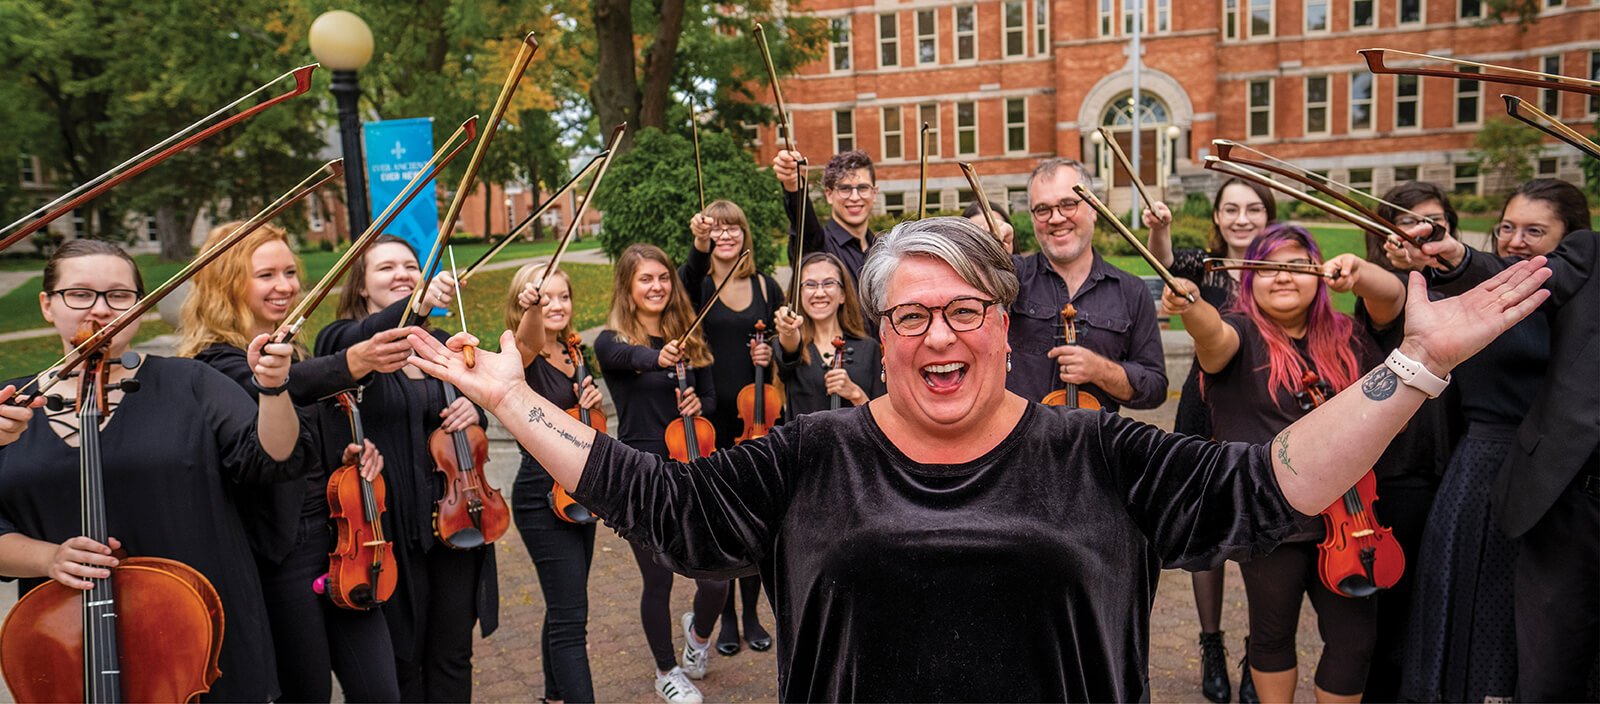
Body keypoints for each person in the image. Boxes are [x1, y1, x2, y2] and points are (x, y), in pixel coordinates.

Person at [403, 215, 1552, 701]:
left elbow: (1278, 480)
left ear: (1005, 323)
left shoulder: (1100, 453)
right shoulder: (808, 453)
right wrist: (512, 397)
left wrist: (1418, 366)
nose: (937, 337)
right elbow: (657, 498)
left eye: (961, 311)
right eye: (907, 317)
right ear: (876, 334)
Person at [0, 239, 308, 702]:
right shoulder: (11, 406)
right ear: (48, 304)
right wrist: (48, 558)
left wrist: (273, 390)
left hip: (199, 637)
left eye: (119, 295)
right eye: (80, 294)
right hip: (65, 646)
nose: (100, 310)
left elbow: (273, 458)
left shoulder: (192, 382)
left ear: (139, 307)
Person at [1166, 225, 1397, 703]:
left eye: (1295, 267)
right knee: (1271, 634)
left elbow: (1392, 300)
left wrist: (1361, 270)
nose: (1282, 277)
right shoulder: (1241, 334)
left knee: (1356, 641)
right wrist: (1191, 306)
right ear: (1249, 281)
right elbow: (1211, 336)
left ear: (1318, 274)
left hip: (1351, 519)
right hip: (1272, 519)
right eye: (1268, 268)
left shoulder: (1348, 334)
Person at [1388, 178, 1594, 702]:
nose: (1515, 239)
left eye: (1534, 230)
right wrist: (1454, 257)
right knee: (1468, 608)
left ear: (1569, 241)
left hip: (1553, 479)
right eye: (1506, 226)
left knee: (1538, 626)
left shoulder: (1572, 298)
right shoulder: (1473, 291)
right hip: (1478, 469)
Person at [176, 222, 399, 702]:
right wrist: (354, 359)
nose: (287, 286)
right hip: (282, 555)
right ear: (227, 283)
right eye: (266, 275)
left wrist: (346, 459)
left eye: (291, 272)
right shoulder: (211, 364)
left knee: (381, 690)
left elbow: (300, 440)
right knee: (306, 694)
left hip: (343, 539)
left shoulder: (291, 345)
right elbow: (276, 385)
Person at [313, 234, 498, 703]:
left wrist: (475, 412)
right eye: (386, 268)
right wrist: (413, 309)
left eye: (410, 267)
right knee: (403, 660)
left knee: (453, 655)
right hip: (388, 528)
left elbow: (479, 405)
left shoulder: (440, 345)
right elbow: (361, 341)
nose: (402, 275)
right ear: (361, 287)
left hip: (455, 521)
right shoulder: (342, 341)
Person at [1328, 182, 1463, 702]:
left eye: (1434, 224)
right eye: (1407, 225)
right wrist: (1368, 273)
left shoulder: (1475, 285)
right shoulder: (1392, 296)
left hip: (1463, 462)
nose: (1422, 235)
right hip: (1404, 475)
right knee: (1395, 616)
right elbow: (1391, 296)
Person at [1145, 176, 1278, 702]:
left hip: (1263, 413)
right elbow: (1166, 268)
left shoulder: (1283, 270)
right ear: (1218, 218)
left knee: (1257, 532)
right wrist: (1162, 231)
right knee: (1207, 533)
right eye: (1231, 209)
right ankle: (1211, 643)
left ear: (1268, 215)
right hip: (1206, 412)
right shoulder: (1204, 268)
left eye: (1253, 209)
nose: (1242, 218)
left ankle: (1260, 649)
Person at [592, 243, 730, 704]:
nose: (657, 286)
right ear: (628, 289)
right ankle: (666, 670)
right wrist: (661, 358)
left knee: (716, 578)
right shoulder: (612, 340)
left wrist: (698, 404)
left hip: (692, 468)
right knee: (658, 580)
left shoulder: (691, 336)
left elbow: (709, 399)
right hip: (641, 473)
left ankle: (697, 636)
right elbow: (628, 359)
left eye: (663, 277)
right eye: (645, 279)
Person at [681, 200, 783, 658]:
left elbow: (789, 345)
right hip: (711, 422)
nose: (727, 235)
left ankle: (752, 614)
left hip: (758, 419)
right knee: (719, 521)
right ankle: (722, 616)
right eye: (718, 229)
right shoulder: (699, 285)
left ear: (746, 234)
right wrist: (698, 243)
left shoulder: (766, 285)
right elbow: (681, 284)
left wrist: (773, 354)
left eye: (733, 228)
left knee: (758, 520)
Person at [505, 263, 603, 703]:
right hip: (540, 498)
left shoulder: (576, 352)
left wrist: (593, 402)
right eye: (546, 298)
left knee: (565, 604)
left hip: (581, 492)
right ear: (526, 303)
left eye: (563, 296)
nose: (556, 306)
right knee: (571, 620)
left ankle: (552, 696)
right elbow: (528, 338)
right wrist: (531, 308)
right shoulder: (520, 354)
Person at [1010, 157, 1166, 410]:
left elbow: (1155, 389)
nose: (1056, 218)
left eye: (1068, 204)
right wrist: (988, 249)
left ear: (1094, 209)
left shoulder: (1132, 291)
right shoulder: (1011, 279)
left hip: (1096, 448)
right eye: (1043, 209)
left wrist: (1101, 370)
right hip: (1020, 447)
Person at [772, 252, 885, 416]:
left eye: (828, 283)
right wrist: (787, 328)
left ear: (843, 295)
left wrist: (855, 394)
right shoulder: (794, 346)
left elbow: (883, 418)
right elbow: (789, 345)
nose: (819, 293)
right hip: (803, 442)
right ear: (799, 294)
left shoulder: (869, 349)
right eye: (810, 285)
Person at [771, 148, 877, 288]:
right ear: (828, 194)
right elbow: (802, 219)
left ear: (874, 193)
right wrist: (792, 183)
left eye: (863, 188)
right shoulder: (817, 245)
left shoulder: (882, 249)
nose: (855, 197)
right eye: (844, 189)